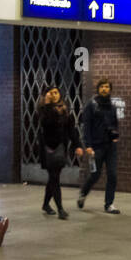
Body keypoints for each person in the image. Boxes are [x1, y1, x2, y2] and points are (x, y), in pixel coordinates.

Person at [37, 86, 83, 219]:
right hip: (48, 149)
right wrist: (47, 104)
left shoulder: (64, 110)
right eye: (51, 93)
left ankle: (46, 204)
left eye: (56, 93)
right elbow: (46, 123)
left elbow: (71, 130)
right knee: (54, 178)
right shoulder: (43, 109)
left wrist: (77, 145)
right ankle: (60, 209)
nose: (54, 95)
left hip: (60, 149)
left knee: (53, 178)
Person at [77, 77, 121, 214]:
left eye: (107, 87)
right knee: (95, 175)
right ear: (98, 89)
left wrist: (115, 136)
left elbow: (115, 125)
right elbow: (87, 126)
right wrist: (88, 145)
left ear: (110, 89)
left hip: (110, 147)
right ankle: (83, 193)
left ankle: (109, 204)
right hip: (96, 146)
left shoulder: (112, 107)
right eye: (102, 87)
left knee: (112, 174)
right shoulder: (91, 105)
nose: (104, 89)